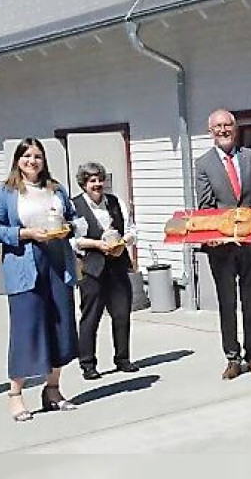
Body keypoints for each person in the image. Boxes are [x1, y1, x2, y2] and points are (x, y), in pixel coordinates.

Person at [0, 138, 80, 422]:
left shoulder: (56, 189)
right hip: (25, 265)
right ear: (17, 160)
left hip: (57, 262)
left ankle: (52, 390)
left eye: (37, 156)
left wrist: (67, 229)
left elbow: (75, 220)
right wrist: (25, 234)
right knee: (27, 330)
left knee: (60, 325)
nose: (32, 161)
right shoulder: (5, 192)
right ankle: (15, 395)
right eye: (26, 156)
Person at [195, 108, 251, 380]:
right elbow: (205, 207)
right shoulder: (204, 164)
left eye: (227, 125)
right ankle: (232, 357)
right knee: (227, 302)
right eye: (217, 126)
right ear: (211, 131)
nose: (223, 130)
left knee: (250, 300)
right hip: (223, 248)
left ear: (235, 127)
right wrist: (218, 232)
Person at [70, 162, 139, 381]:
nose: (97, 184)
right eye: (92, 181)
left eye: (100, 180)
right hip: (92, 267)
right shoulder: (75, 206)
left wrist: (122, 242)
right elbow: (73, 240)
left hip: (117, 264)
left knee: (121, 313)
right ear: (83, 184)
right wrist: (97, 244)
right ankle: (88, 364)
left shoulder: (114, 201)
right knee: (91, 316)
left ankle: (123, 359)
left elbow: (131, 229)